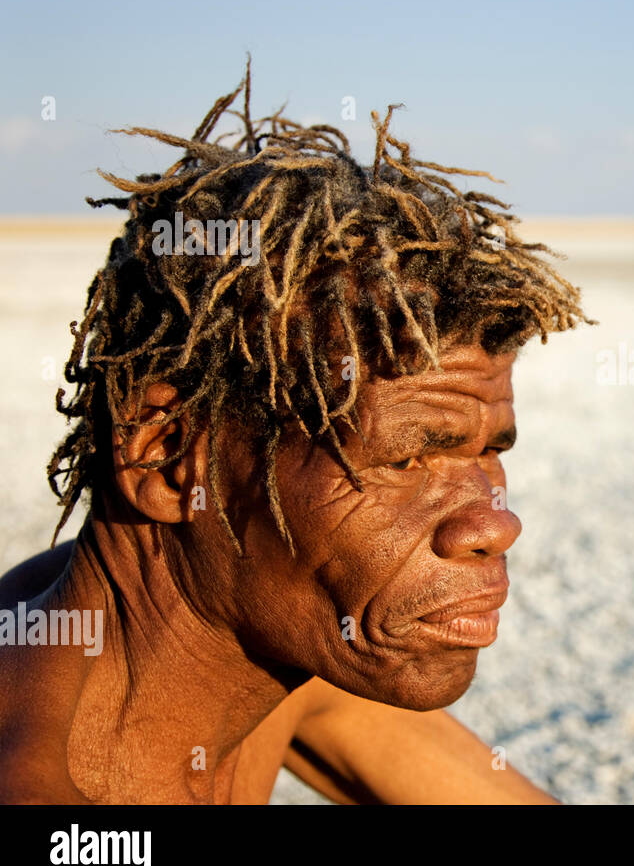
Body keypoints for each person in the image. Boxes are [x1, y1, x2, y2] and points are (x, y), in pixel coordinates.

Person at [0, 62, 591, 803]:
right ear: (168, 457)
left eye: (487, 452)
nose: (494, 526)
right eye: (407, 457)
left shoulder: (276, 658)